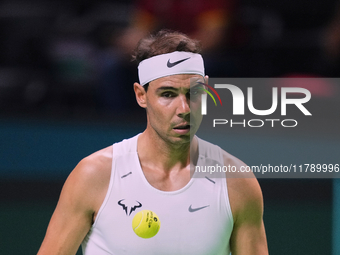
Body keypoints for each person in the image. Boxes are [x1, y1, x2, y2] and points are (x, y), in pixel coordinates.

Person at [37, 30, 268, 255]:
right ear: (141, 95)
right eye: (167, 94)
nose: (184, 109)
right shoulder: (94, 175)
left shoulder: (237, 182)